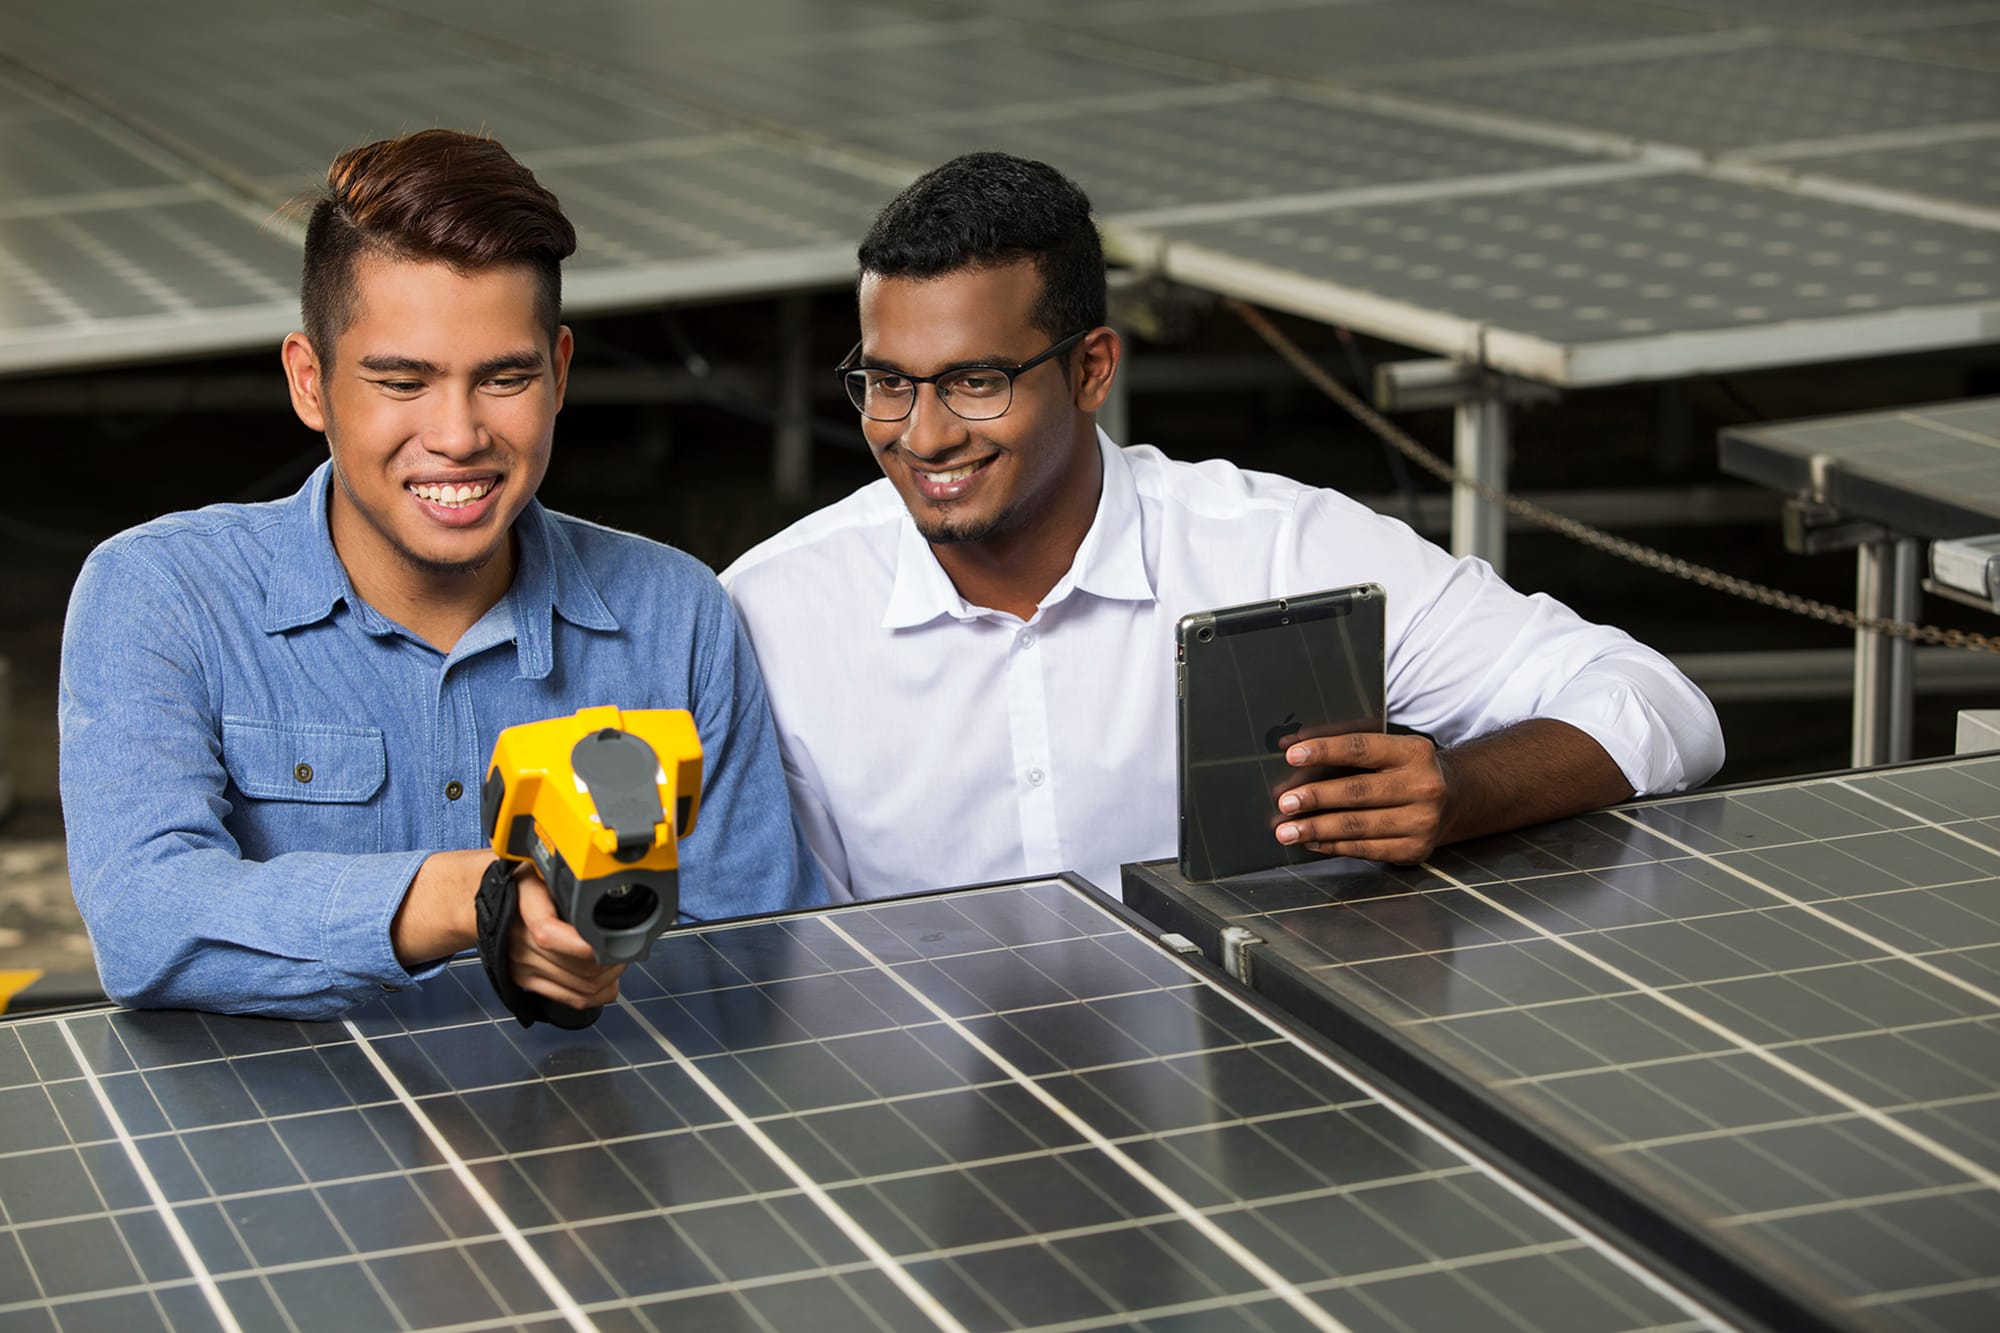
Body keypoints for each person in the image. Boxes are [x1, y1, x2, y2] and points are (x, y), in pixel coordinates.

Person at [721, 151, 1723, 902]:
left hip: (1240, 1112)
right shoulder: (764, 614)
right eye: (887, 383)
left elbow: (1656, 703)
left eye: (976, 382)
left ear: (1092, 369)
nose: (922, 435)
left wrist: (1458, 790)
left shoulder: (1273, 553)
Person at [59, 129, 821, 1020]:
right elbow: (145, 918)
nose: (458, 435)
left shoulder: (677, 615)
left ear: (560, 373)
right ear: (311, 382)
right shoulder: (162, 596)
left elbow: (753, 960)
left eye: (504, 378)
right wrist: (463, 899)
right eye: (403, 381)